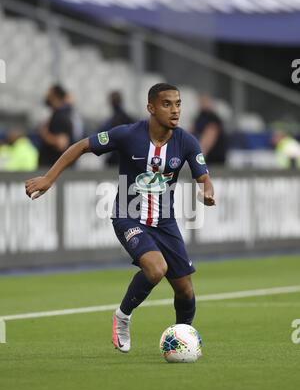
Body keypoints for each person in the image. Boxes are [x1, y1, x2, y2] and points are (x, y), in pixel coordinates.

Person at [25, 83, 215, 353]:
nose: (175, 110)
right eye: (167, 104)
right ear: (151, 108)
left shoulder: (186, 141)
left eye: (178, 104)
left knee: (185, 292)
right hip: (129, 217)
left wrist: (206, 192)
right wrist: (48, 178)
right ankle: (122, 316)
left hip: (165, 223)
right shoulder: (127, 135)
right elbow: (80, 146)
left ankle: (181, 341)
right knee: (156, 269)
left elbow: (204, 178)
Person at [38, 84, 74, 168]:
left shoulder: (61, 117)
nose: (46, 96)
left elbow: (62, 144)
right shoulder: (57, 114)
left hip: (54, 169)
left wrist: (44, 134)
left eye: (49, 94)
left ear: (55, 96)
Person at [97, 91, 134, 166]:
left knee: (119, 177)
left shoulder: (112, 121)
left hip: (116, 159)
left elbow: (100, 134)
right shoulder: (128, 119)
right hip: (127, 158)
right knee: (124, 177)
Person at [192, 94, 227, 165]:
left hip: (215, 157)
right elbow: (191, 131)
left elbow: (210, 136)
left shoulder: (213, 118)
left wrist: (200, 156)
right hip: (205, 156)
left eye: (205, 102)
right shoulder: (199, 116)